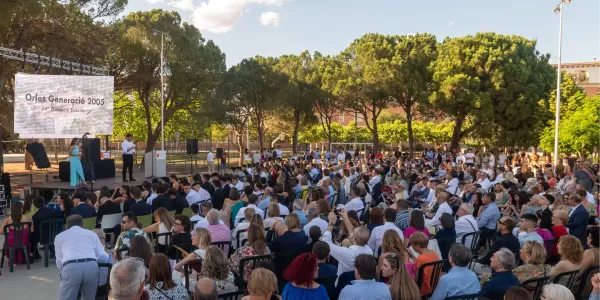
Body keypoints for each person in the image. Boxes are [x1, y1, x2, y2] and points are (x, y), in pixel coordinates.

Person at [54, 214, 109, 299]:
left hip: (71, 267)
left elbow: (59, 262)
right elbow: (103, 256)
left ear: (66, 227)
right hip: (91, 266)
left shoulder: (59, 236)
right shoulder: (92, 234)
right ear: (83, 225)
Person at [322, 211, 373, 277]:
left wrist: (331, 223)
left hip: (343, 283)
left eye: (353, 232)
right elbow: (354, 234)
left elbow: (325, 243)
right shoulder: (369, 251)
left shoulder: (346, 253)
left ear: (353, 237)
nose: (351, 232)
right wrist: (345, 218)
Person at [410, 232, 441, 296]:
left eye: (412, 245)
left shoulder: (420, 259)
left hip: (424, 289)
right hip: (435, 285)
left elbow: (416, 279)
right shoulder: (433, 253)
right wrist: (412, 256)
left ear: (418, 245)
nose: (412, 246)